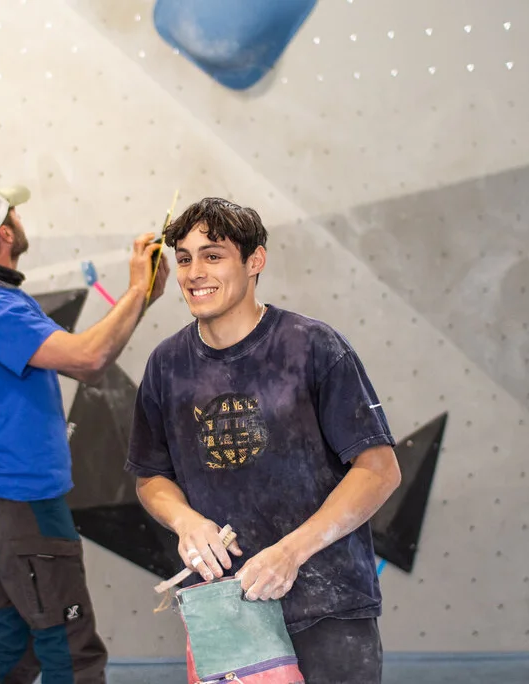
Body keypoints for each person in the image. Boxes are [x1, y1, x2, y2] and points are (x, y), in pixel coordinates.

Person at [125, 197, 402, 684]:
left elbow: (379, 471)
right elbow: (151, 475)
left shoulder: (313, 347)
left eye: (213, 255)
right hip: (230, 614)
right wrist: (185, 521)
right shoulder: (166, 366)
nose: (194, 272)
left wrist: (290, 552)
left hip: (329, 603)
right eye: (184, 258)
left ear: (255, 261)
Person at [0, 180, 170, 684]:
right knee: (73, 651)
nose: (22, 220)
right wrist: (135, 289)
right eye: (16, 214)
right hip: (22, 510)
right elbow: (88, 361)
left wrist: (142, 297)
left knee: (19, 642)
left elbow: (88, 350)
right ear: (5, 232)